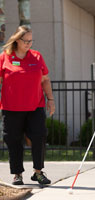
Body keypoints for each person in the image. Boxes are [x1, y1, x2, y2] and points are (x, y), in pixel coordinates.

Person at [0, 25, 55, 185]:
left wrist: (50, 100)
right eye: (26, 41)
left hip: (35, 106)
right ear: (17, 40)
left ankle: (38, 172)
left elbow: (45, 79)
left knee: (39, 137)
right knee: (13, 140)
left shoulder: (37, 56)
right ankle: (17, 174)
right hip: (11, 108)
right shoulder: (5, 58)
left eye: (31, 41)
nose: (29, 44)